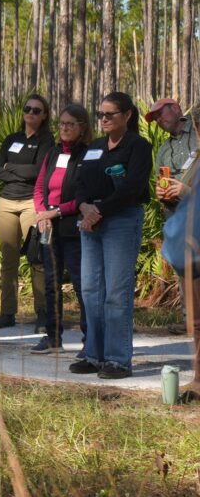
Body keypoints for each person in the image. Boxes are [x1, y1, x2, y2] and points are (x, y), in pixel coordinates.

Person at [72, 92, 152, 380]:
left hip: (120, 221)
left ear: (127, 115)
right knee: (92, 290)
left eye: (110, 114)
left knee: (116, 293)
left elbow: (132, 187)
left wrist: (99, 210)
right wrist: (84, 207)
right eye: (101, 114)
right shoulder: (94, 147)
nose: (104, 119)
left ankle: (118, 360)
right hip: (90, 222)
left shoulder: (138, 146)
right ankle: (94, 355)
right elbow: (79, 182)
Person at [31, 103, 92, 356]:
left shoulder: (89, 154)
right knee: (51, 284)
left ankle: (91, 339)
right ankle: (53, 336)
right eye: (62, 123)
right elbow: (38, 188)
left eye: (70, 124)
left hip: (73, 228)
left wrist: (54, 212)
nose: (65, 128)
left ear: (82, 127)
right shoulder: (53, 153)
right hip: (49, 228)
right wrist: (42, 213)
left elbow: (82, 195)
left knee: (80, 284)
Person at [0, 93, 52, 331]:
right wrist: (13, 170)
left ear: (44, 115)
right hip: (6, 202)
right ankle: (7, 313)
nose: (31, 113)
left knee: (37, 258)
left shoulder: (46, 140)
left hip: (31, 204)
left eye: (37, 110)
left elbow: (38, 171)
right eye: (28, 108)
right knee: (9, 259)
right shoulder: (11, 138)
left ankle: (43, 314)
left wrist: (10, 167)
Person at [147, 97, 198, 336]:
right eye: (154, 118)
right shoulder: (165, 148)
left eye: (161, 114)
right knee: (183, 267)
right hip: (176, 213)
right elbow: (162, 180)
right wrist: (162, 192)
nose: (158, 120)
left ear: (176, 109)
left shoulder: (197, 133)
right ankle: (191, 319)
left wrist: (186, 190)